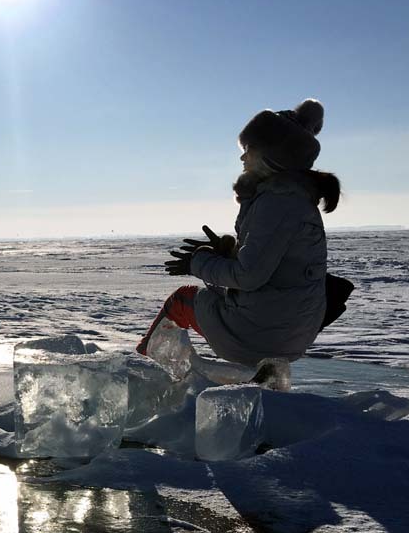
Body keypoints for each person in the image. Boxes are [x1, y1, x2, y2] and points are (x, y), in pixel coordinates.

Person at [136, 98, 343, 369]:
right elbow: (275, 267)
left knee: (182, 299)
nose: (243, 157)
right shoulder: (296, 199)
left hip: (262, 336)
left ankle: (143, 370)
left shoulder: (277, 201)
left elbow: (249, 276)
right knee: (206, 299)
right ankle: (263, 380)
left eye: (249, 149)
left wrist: (197, 263)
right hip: (286, 331)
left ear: (272, 156)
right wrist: (227, 253)